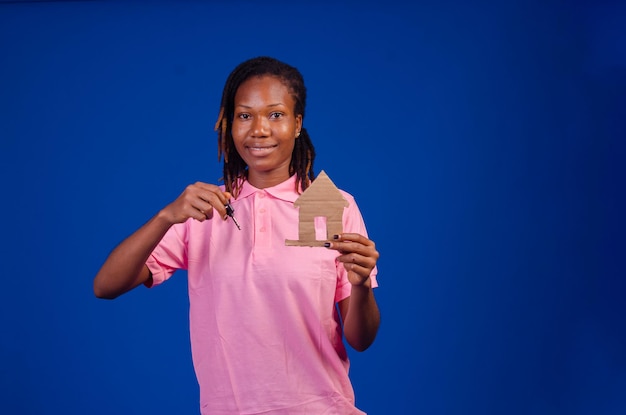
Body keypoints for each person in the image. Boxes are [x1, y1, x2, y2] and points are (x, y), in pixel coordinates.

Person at [93, 56, 381, 415]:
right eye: (245, 115)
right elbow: (105, 286)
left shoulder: (333, 205)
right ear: (229, 125)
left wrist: (361, 285)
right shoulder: (203, 210)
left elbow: (361, 339)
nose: (259, 129)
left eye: (275, 114)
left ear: (297, 124)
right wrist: (166, 217)